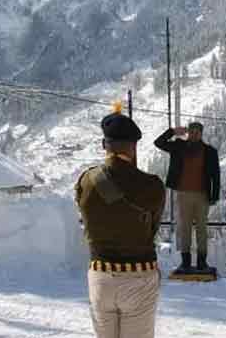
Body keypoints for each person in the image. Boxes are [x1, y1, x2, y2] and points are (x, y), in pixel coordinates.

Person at [76, 111, 166, 338]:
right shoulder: (152, 185)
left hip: (100, 276)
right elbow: (152, 229)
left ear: (104, 144)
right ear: (133, 147)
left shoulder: (87, 180)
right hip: (138, 275)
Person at [154, 122, 220, 273]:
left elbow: (216, 175)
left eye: (197, 132)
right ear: (188, 132)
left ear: (201, 133)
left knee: (202, 229)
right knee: (184, 229)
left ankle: (202, 263)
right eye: (192, 132)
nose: (194, 134)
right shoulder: (178, 146)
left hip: (203, 195)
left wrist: (214, 196)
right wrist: (172, 131)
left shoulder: (210, 151)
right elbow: (158, 143)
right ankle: (185, 263)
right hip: (182, 194)